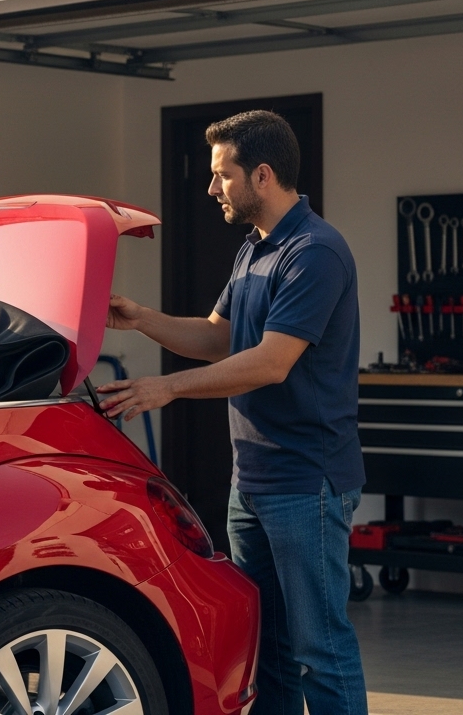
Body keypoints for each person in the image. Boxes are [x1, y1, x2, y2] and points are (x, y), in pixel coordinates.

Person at [98, 110, 367, 715]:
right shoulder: (256, 249)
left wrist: (168, 390)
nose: (212, 188)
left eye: (223, 175)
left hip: (308, 483)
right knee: (268, 649)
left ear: (263, 175)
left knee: (319, 649)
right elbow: (220, 337)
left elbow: (271, 361)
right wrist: (143, 318)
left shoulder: (315, 252)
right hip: (254, 482)